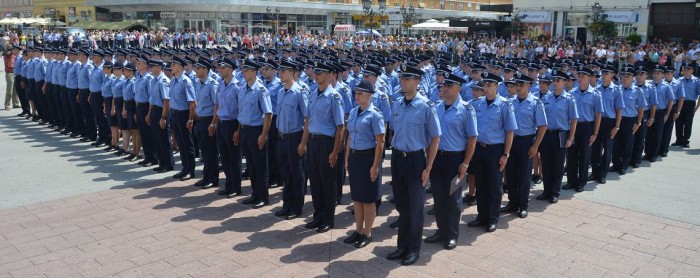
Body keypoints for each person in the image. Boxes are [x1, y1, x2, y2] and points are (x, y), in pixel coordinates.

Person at [386, 64, 440, 266]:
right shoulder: (398, 104)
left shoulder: (426, 106)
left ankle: (413, 249)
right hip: (398, 158)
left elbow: (435, 138)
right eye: (402, 78)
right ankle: (402, 246)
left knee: (416, 207)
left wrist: (428, 168)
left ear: (417, 81)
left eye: (408, 79)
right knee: (401, 205)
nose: (403, 81)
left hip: (416, 160)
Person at [424, 73, 477, 250]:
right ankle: (441, 230)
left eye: (450, 85)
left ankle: (452, 234)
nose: (445, 88)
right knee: (439, 198)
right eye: (444, 85)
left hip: (456, 160)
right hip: (438, 158)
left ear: (459, 88)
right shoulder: (437, 107)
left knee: (453, 199)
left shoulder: (466, 109)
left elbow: (472, 138)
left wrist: (466, 163)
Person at [342, 79, 385, 249]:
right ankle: (358, 230)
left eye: (360, 94)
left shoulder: (375, 115)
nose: (356, 96)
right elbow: (350, 136)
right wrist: (346, 158)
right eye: (356, 93)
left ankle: (367, 233)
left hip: (368, 158)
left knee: (368, 199)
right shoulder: (353, 112)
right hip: (354, 157)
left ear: (369, 96)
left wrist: (375, 165)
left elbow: (380, 142)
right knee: (357, 197)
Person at [303, 61, 345, 233]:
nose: (317, 75)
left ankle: (328, 218)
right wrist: (304, 142)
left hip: (327, 143)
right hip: (313, 141)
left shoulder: (334, 97)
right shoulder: (312, 94)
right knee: (315, 180)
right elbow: (308, 121)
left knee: (328, 181)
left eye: (320, 73)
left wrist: (335, 151)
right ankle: (318, 215)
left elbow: (340, 127)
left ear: (329, 75)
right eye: (316, 72)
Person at [502, 72, 547, 218]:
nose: (518, 87)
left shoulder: (535, 102)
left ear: (529, 86)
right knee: (511, 174)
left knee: (524, 175)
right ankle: (512, 202)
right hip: (511, 142)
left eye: (521, 85)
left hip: (526, 142)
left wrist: (535, 146)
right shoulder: (510, 101)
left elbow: (542, 126)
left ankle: (523, 205)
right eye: (517, 85)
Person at [234, 59, 273, 208]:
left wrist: (263, 135)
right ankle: (255, 193)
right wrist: (238, 131)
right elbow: (241, 112)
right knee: (251, 165)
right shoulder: (243, 89)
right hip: (244, 129)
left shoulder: (260, 90)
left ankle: (263, 196)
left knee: (260, 165)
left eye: (247, 71)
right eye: (243, 70)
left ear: (255, 72)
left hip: (256, 131)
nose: (244, 73)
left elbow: (268, 114)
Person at [273, 59, 308, 219]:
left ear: (293, 73)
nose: (281, 73)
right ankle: (287, 204)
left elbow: (307, 118)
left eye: (284, 71)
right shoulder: (280, 91)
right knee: (286, 174)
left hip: (295, 138)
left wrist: (303, 142)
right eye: (280, 71)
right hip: (281, 137)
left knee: (297, 174)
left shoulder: (300, 92)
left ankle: (297, 207)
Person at [538, 70, 578, 203]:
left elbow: (573, 120)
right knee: (546, 163)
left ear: (565, 82)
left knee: (558, 164)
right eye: (554, 80)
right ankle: (546, 190)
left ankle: (555, 191)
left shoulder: (569, 99)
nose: (555, 83)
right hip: (546, 134)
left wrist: (571, 138)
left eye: (558, 80)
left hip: (561, 134)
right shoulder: (546, 98)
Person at [563, 66, 602, 193]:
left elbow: (597, 115)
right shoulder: (572, 93)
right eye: (578, 76)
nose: (580, 79)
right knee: (571, 155)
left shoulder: (595, 94)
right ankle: (571, 180)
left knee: (585, 155)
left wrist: (595, 133)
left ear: (589, 78)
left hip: (587, 127)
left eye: (583, 76)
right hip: (573, 127)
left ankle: (581, 181)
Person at [589, 64, 623, 184]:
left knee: (607, 149)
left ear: (612, 75)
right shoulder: (596, 89)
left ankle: (603, 174)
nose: (604, 75)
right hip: (597, 121)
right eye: (603, 73)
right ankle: (594, 172)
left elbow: (619, 110)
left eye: (607, 73)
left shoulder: (616, 90)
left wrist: (617, 126)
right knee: (595, 149)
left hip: (609, 122)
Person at [214, 58, 242, 198]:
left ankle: (236, 187)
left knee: (234, 157)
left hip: (232, 124)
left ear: (231, 69)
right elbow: (217, 105)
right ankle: (228, 184)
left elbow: (241, 110)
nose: (221, 69)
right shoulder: (220, 84)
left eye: (224, 67)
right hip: (222, 123)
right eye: (220, 67)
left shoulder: (237, 87)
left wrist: (238, 131)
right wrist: (214, 123)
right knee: (224, 157)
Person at [611, 66, 646, 175]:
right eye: (623, 76)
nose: (625, 78)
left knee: (627, 144)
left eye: (628, 76)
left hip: (630, 120)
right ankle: (615, 164)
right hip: (617, 119)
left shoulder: (638, 91)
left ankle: (624, 165)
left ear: (633, 78)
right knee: (616, 143)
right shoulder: (616, 89)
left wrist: (638, 123)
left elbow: (641, 108)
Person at [192, 58, 220, 189]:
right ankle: (206, 176)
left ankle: (213, 178)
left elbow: (217, 105)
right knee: (204, 150)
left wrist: (213, 123)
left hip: (209, 120)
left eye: (198, 68)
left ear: (205, 69)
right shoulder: (198, 83)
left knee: (211, 151)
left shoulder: (212, 84)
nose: (196, 70)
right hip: (200, 119)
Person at [169, 56, 197, 181]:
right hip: (174, 114)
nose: (171, 67)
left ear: (180, 67)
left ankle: (190, 170)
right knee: (180, 143)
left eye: (174, 65)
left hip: (183, 115)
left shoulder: (186, 81)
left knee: (187, 143)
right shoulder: (173, 81)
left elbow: (192, 102)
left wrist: (190, 119)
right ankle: (185, 168)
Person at [148, 59, 174, 173]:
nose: (151, 69)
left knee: (163, 138)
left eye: (153, 67)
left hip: (161, 111)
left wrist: (163, 117)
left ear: (159, 67)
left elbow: (166, 100)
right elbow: (152, 100)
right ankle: (161, 162)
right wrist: (149, 114)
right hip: (154, 110)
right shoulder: (154, 80)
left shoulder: (163, 80)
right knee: (156, 138)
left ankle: (168, 164)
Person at [645, 64, 675, 162]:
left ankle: (654, 154)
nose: (656, 75)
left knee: (658, 134)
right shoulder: (649, 85)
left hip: (661, 112)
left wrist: (667, 114)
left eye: (658, 73)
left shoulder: (666, 86)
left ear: (663, 75)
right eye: (654, 72)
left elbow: (671, 100)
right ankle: (647, 153)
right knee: (648, 134)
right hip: (650, 112)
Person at [134, 54, 157, 167]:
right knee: (142, 133)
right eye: (137, 62)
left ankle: (152, 157)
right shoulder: (138, 76)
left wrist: (148, 114)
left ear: (145, 65)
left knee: (148, 134)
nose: (137, 64)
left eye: (139, 63)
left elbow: (150, 98)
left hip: (146, 107)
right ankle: (147, 156)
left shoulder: (149, 78)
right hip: (138, 106)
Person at [673, 62, 700, 148]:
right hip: (680, 103)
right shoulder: (679, 80)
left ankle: (686, 140)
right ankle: (679, 140)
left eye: (688, 69)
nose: (686, 70)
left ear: (692, 70)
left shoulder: (696, 81)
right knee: (678, 122)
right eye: (685, 69)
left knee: (688, 123)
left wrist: (696, 107)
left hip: (690, 103)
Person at [122, 63, 141, 161]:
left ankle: (137, 153)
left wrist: (135, 112)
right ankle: (134, 151)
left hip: (133, 106)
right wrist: (124, 108)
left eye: (126, 70)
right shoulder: (127, 81)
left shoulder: (133, 82)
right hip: (128, 106)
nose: (124, 71)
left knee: (136, 132)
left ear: (131, 71)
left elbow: (135, 98)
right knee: (132, 131)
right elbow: (125, 98)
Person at [88, 50, 108, 147]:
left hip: (100, 95)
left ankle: (104, 138)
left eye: (95, 56)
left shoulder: (103, 69)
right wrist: (90, 95)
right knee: (97, 117)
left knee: (102, 118)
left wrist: (104, 100)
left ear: (100, 57)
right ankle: (100, 137)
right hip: (94, 94)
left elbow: (105, 84)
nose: (93, 58)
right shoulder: (94, 68)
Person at [3, 46, 18, 110]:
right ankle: (7, 105)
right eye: (10, 50)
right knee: (9, 90)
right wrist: (11, 56)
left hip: (15, 73)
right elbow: (9, 65)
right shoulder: (6, 57)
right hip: (9, 73)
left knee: (15, 89)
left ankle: (15, 103)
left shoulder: (14, 56)